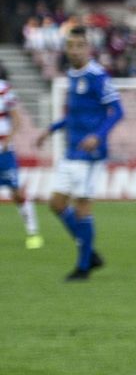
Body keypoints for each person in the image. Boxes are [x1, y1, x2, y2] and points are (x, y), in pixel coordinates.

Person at [35, 27, 122, 280]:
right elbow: (73, 115)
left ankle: (83, 268)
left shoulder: (98, 76)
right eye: (70, 45)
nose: (74, 49)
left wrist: (98, 136)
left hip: (91, 154)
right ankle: (89, 252)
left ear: (88, 48)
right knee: (56, 203)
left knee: (82, 205)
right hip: (71, 151)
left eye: (79, 45)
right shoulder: (73, 74)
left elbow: (117, 111)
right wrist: (50, 130)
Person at [0, 65, 44, 249]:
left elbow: (17, 118)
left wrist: (8, 140)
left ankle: (33, 231)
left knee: (16, 192)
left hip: (3, 150)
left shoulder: (4, 89)